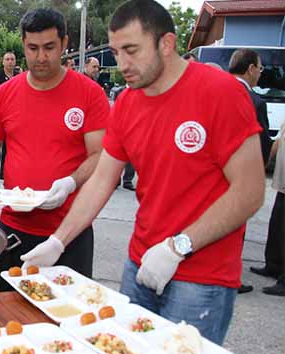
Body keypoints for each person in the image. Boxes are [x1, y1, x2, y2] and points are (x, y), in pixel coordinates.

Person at [21, 0, 265, 345]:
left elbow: (250, 190)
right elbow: (103, 179)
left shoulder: (219, 92)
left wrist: (179, 247)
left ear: (166, 44)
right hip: (140, 264)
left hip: (201, 278)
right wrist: (59, 239)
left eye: (131, 51)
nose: (122, 64)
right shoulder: (127, 103)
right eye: (117, 52)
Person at [0, 8, 109, 287]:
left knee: (67, 320)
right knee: (8, 315)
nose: (41, 57)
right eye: (33, 48)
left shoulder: (89, 92)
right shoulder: (7, 93)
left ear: (64, 44)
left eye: (49, 47)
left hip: (69, 232)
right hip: (15, 228)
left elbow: (99, 154)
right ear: (23, 45)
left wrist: (70, 182)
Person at [228, 48, 272, 294]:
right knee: (234, 228)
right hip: (238, 178)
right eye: (261, 69)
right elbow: (262, 144)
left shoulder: (214, 89)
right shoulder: (254, 100)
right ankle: (231, 277)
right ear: (251, 69)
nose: (260, 74)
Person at [259, 124, 285, 296]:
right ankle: (273, 266)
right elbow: (278, 140)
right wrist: (267, 160)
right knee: (277, 225)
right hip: (281, 183)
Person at [0, 52, 20, 180]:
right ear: (3, 62)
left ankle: (5, 174)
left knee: (10, 147)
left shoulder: (20, 77)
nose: (10, 62)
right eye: (7, 59)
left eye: (12, 59)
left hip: (15, 116)